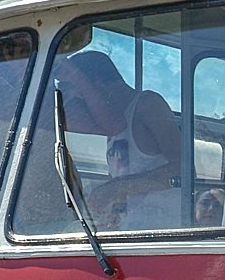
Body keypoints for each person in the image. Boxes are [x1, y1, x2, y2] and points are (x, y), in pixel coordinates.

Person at [57, 49, 181, 230]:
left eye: (77, 94)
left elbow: (182, 170)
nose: (76, 103)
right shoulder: (110, 123)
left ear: (96, 83)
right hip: (130, 231)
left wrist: (116, 188)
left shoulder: (148, 105)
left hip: (163, 233)